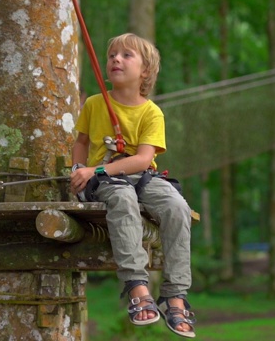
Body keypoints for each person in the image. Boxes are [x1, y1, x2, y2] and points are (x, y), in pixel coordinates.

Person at [70, 33, 195, 338]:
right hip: (105, 182)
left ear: (145, 71)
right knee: (123, 198)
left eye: (127, 55)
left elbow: (142, 160)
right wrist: (77, 170)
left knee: (178, 207)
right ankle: (137, 286)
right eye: (112, 54)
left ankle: (175, 294)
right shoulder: (95, 104)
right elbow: (82, 141)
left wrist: (94, 167)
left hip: (140, 176)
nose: (116, 59)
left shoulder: (151, 112)